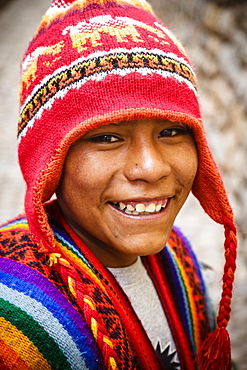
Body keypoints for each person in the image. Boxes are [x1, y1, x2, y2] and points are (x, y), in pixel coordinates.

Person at [0, 0, 237, 369]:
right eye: (107, 138)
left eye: (171, 131)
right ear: (50, 162)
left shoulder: (181, 261)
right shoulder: (14, 325)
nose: (151, 167)